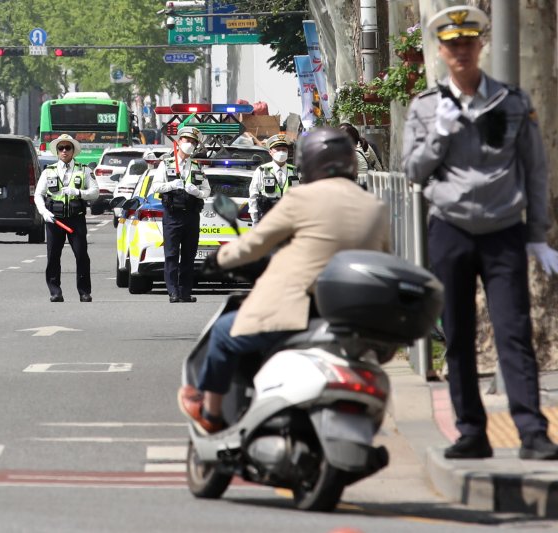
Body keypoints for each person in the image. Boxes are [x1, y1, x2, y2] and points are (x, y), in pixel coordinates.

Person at [403, 5, 558, 460]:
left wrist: (537, 235)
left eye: (468, 43)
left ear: (480, 45)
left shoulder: (512, 102)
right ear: (442, 50)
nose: (461, 51)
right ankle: (471, 431)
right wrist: (439, 136)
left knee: (513, 331)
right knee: (458, 333)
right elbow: (413, 170)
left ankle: (531, 431)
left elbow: (534, 170)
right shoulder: (426, 107)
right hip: (451, 229)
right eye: (453, 45)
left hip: (504, 231)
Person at [178, 127, 390, 433]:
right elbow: (385, 260)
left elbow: (255, 243)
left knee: (224, 334)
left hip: (303, 311)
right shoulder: (376, 206)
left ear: (310, 163)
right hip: (354, 320)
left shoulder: (301, 198)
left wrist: (219, 259)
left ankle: (211, 414)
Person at [34, 134, 99, 303]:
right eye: (61, 148)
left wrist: (78, 192)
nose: (64, 151)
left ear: (73, 151)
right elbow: (38, 195)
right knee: (53, 256)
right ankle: (55, 291)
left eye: (67, 148)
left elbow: (95, 192)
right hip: (55, 220)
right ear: (57, 151)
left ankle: (84, 292)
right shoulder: (49, 171)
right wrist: (43, 212)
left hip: (75, 219)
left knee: (81, 255)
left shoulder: (83, 170)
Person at [153, 126, 211, 303]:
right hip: (173, 215)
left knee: (188, 255)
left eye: (193, 142)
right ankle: (173, 291)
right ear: (178, 143)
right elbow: (155, 187)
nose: (190, 144)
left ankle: (185, 292)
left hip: (192, 215)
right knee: (171, 255)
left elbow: (207, 190)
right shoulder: (167, 164)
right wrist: (171, 185)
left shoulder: (197, 167)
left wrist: (196, 192)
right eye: (187, 140)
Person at [248, 133, 297, 223]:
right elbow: (253, 195)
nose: (281, 152)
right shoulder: (262, 170)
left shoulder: (294, 171)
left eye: (284, 149)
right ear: (270, 152)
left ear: (288, 152)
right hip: (268, 218)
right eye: (277, 150)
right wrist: (255, 219)